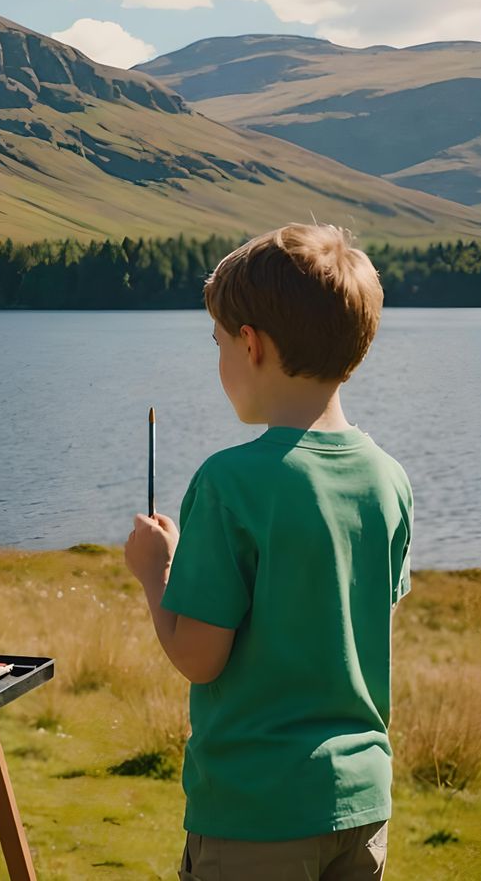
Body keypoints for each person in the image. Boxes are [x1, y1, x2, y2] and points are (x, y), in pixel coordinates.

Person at [124, 224, 411, 880]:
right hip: (361, 803)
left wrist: (155, 570)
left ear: (250, 345)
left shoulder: (230, 483)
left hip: (256, 813)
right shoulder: (387, 478)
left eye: (219, 342)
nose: (221, 357)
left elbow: (199, 656)